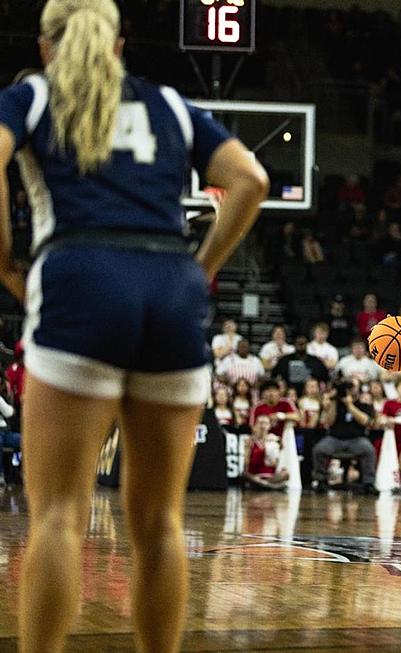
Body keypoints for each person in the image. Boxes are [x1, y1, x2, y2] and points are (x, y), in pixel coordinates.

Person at [0, 1, 268, 650]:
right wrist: (198, 269)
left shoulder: (32, 96)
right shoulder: (172, 104)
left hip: (80, 276)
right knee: (158, 523)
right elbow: (251, 179)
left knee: (61, 515)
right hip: (169, 288)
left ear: (45, 45)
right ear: (119, 46)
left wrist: (7, 260)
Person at [312, 380, 378, 494]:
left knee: (369, 450)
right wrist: (333, 402)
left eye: (353, 387)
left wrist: (350, 405)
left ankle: (369, 483)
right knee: (319, 449)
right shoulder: (335, 403)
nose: (350, 390)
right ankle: (321, 481)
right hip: (335, 438)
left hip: (357, 439)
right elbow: (329, 422)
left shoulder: (364, 404)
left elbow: (365, 421)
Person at [243, 414, 290, 490]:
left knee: (285, 474)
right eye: (260, 423)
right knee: (245, 474)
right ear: (255, 425)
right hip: (255, 474)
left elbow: (279, 460)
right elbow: (246, 463)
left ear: (269, 426)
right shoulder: (250, 441)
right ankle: (269, 486)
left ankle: (265, 484)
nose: (263, 426)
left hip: (270, 476)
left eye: (266, 423)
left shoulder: (275, 439)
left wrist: (278, 445)